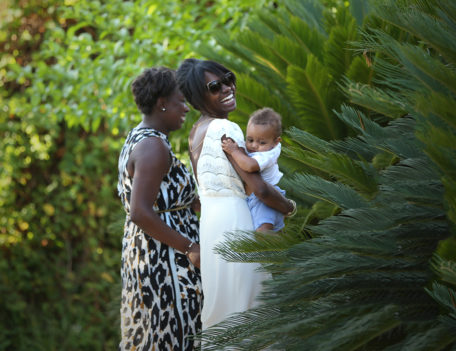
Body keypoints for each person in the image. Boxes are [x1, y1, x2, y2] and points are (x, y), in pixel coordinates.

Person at [176, 58, 296, 330]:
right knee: (252, 311)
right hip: (236, 222)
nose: (227, 88)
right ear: (198, 96)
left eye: (228, 78)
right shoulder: (225, 128)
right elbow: (261, 189)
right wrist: (289, 208)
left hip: (210, 228)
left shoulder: (196, 131)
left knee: (226, 314)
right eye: (215, 86)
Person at [117, 66, 202, 351]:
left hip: (153, 253)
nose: (186, 108)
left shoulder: (142, 137)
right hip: (166, 263)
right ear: (161, 103)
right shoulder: (152, 147)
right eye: (180, 100)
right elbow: (139, 211)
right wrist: (190, 246)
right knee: (173, 335)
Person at [222, 107, 289, 232]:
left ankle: (286, 248)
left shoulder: (268, 155)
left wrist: (234, 151)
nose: (254, 145)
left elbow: (250, 166)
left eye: (262, 142)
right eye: (250, 140)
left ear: (276, 142)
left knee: (263, 235)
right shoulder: (258, 149)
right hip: (254, 199)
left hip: (265, 200)